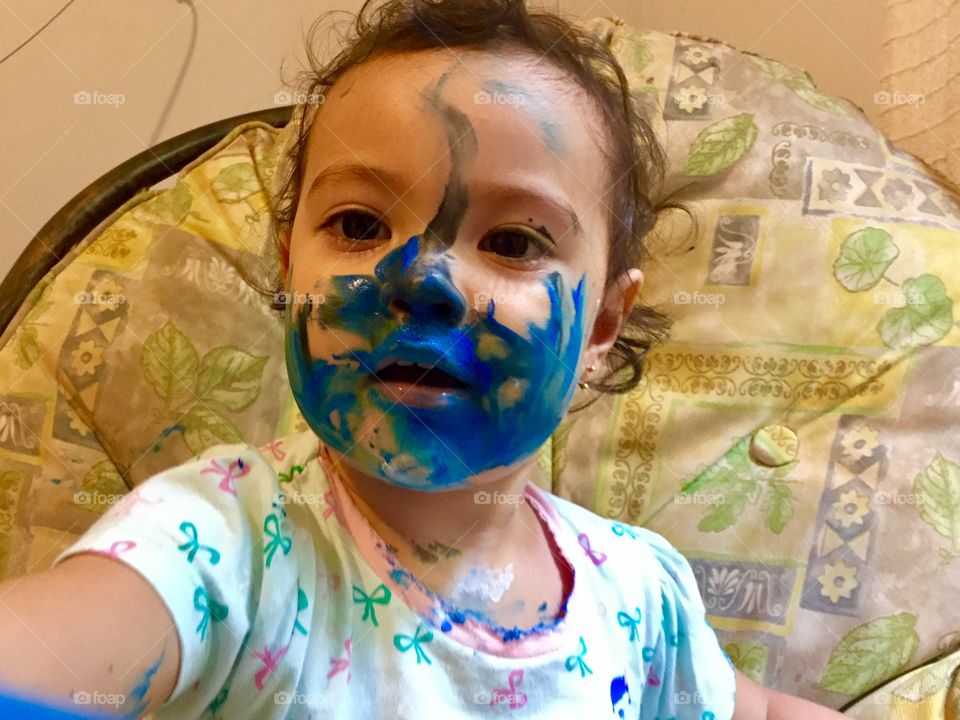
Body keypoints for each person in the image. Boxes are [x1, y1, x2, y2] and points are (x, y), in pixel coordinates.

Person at [0, 1, 849, 717]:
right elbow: (56, 645)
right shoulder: (224, 545)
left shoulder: (639, 594)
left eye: (514, 241)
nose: (424, 279)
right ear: (290, 271)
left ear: (600, 328)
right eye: (361, 226)